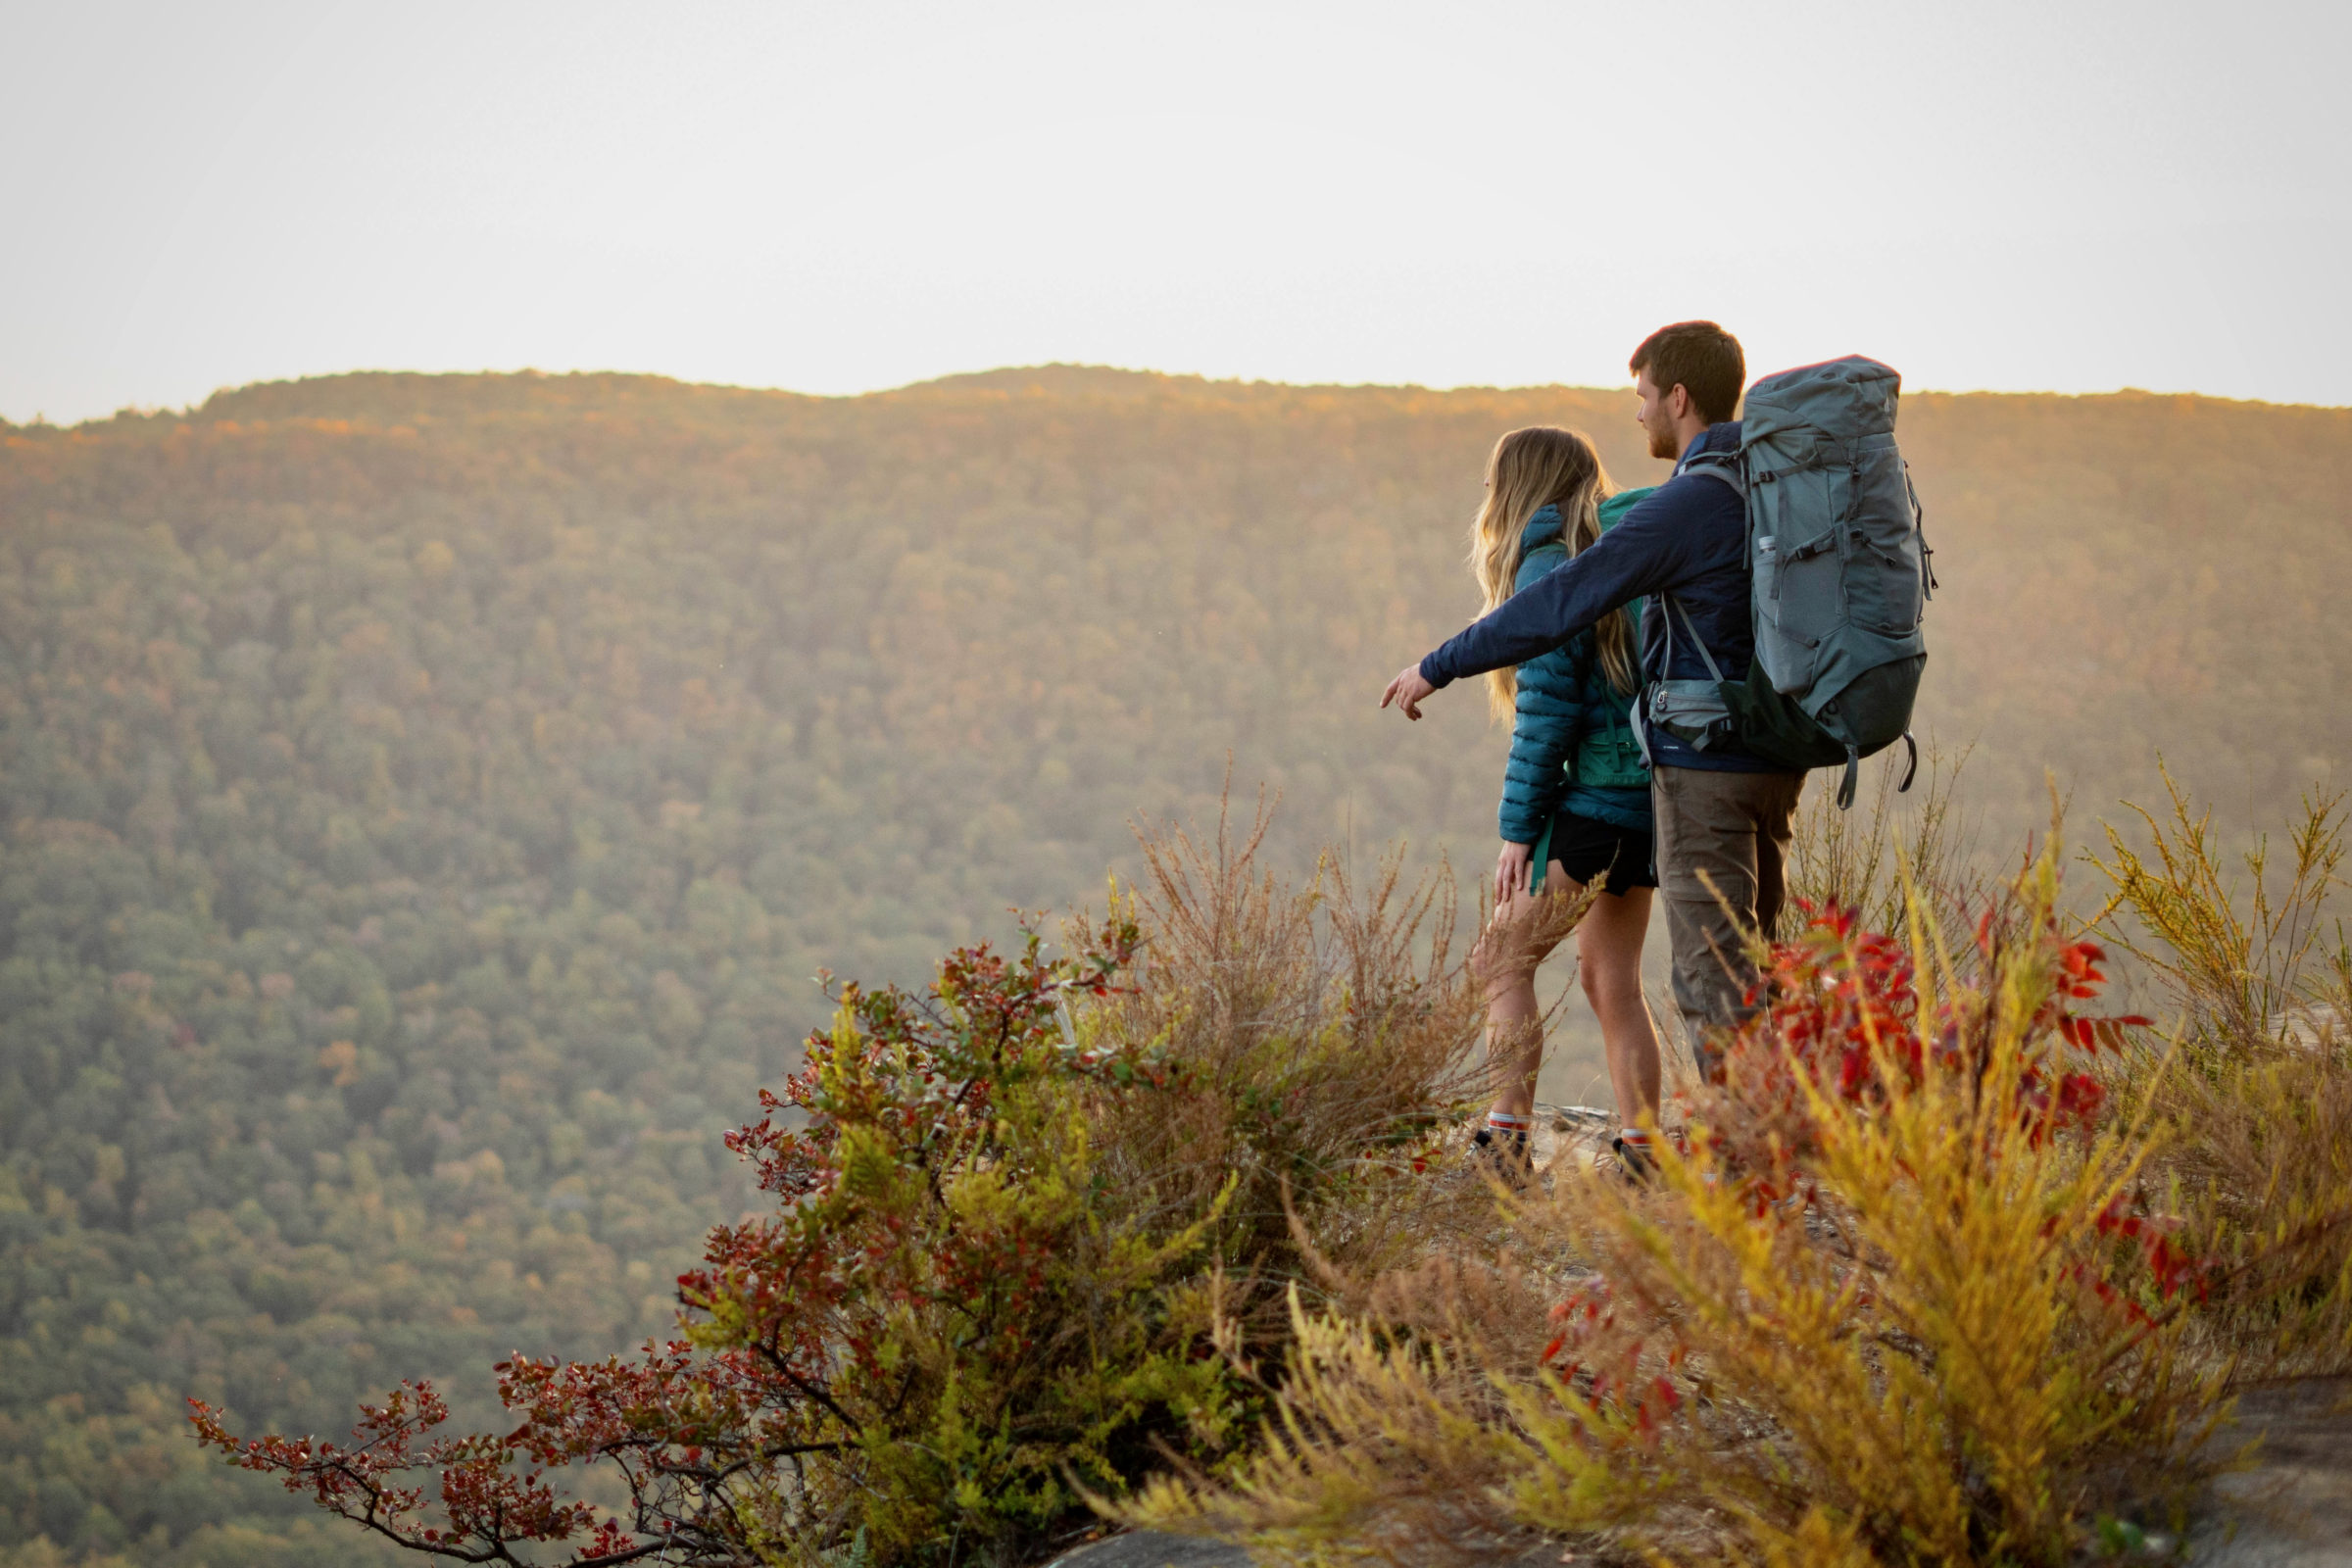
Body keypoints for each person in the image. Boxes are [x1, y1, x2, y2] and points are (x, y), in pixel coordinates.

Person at [1383, 321, 1805, 1085]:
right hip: (1773, 756)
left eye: (1643, 396)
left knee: (1715, 985)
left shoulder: (1683, 506)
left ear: (1678, 396)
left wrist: (1436, 667)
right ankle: (1682, 1152)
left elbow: (1552, 618)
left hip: (1693, 770)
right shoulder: (1763, 490)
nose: (1638, 413)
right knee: (1741, 970)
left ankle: (1740, 1176)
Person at [1459, 427, 1663, 1180]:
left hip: (1594, 804)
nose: (1487, 497)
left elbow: (1547, 713)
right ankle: (1643, 1155)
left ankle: (1505, 1142)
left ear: (1517, 488)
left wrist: (1520, 832)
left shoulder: (1547, 565)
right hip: (1649, 801)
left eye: (1493, 482)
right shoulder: (1620, 551)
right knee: (1611, 980)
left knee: (1500, 960)